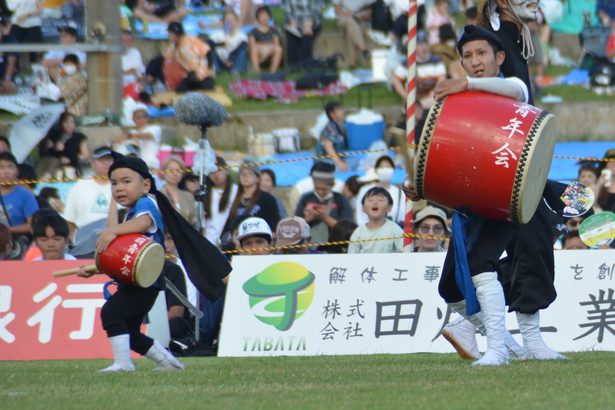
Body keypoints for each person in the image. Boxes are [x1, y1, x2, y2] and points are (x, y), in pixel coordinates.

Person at [407, 25, 532, 366]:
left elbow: (516, 88)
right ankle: (508, 345)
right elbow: (446, 157)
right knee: (449, 287)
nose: (475, 62)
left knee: (481, 264)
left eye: (482, 54)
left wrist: (467, 84)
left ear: (499, 57)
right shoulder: (458, 102)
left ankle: (497, 350)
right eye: (468, 56)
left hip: (507, 198)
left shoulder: (512, 89)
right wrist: (420, 183)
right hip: (470, 204)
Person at [478, 0, 570, 360]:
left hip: (519, 154)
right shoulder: (496, 34)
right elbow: (513, 93)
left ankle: (524, 339)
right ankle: (488, 334)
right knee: (483, 253)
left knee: (529, 243)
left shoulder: (512, 32)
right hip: (501, 158)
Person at [76, 153, 186, 372]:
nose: (118, 188)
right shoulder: (129, 215)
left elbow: (144, 223)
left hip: (145, 281)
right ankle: (169, 363)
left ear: (146, 185)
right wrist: (96, 267)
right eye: (114, 183)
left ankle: (124, 364)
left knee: (111, 313)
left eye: (126, 182)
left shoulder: (146, 205)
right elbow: (116, 245)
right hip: (137, 280)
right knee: (131, 333)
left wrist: (112, 231)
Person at [295, 161, 353, 244]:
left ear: (332, 185)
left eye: (324, 189)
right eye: (317, 188)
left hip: (334, 246)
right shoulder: (306, 198)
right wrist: (307, 218)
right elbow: (295, 228)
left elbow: (348, 230)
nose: (320, 192)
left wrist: (324, 217)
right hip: (310, 246)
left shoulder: (340, 200)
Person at [62, 146, 113, 240]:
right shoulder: (80, 186)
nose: (106, 163)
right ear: (93, 163)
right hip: (84, 240)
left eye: (109, 159)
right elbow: (69, 220)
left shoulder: (121, 186)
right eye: (101, 160)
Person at [223, 159, 280, 240]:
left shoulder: (268, 199)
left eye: (250, 173)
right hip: (238, 242)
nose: (245, 176)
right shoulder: (234, 198)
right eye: (243, 174)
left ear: (257, 178)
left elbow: (274, 226)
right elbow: (229, 225)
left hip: (260, 241)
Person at [348, 186, 404, 253]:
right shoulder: (358, 233)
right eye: (370, 200)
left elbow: (403, 253)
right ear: (363, 208)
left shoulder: (395, 230)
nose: (375, 203)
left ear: (389, 207)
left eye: (380, 200)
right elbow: (352, 257)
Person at [0, 152, 39, 246]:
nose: (6, 172)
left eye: (10, 167)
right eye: (1, 167)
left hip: (15, 246)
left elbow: (34, 225)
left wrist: (7, 231)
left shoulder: (26, 196)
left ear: (17, 171)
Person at [163, 22, 214, 92]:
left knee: (206, 87)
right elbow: (166, 58)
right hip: (190, 73)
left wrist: (209, 68)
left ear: (176, 34)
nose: (168, 35)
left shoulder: (191, 40)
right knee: (180, 90)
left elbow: (207, 51)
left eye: (170, 33)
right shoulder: (173, 47)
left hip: (201, 71)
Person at [38, 111, 89, 179]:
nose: (69, 125)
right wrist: (55, 147)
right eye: (66, 122)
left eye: (71, 122)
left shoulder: (79, 137)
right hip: (55, 165)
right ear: (61, 123)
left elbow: (85, 155)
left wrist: (71, 159)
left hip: (72, 166)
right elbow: (47, 149)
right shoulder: (55, 134)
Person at [356, 154, 404, 225]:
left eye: (388, 167)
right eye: (381, 167)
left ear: (394, 170)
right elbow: (359, 216)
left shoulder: (400, 193)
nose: (385, 169)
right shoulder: (365, 190)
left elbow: (402, 217)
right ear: (375, 170)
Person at [203, 156, 238, 246]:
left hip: (228, 240)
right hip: (209, 240)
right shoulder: (205, 193)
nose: (215, 175)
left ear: (227, 170)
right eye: (211, 172)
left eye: (218, 170)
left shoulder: (236, 191)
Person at [115, 106, 161, 171]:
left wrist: (128, 136)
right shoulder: (131, 132)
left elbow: (148, 135)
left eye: (144, 117)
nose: (141, 119)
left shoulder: (155, 128)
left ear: (148, 119)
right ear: (133, 119)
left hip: (151, 165)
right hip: (136, 166)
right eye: (138, 117)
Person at [333, 0, 373, 67]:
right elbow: (337, 11)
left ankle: (352, 62)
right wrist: (351, 15)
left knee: (350, 30)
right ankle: (363, 49)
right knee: (350, 21)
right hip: (343, 18)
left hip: (359, 20)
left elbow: (369, 12)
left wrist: (363, 16)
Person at [284, 0, 323, 67]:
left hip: (310, 23)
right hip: (294, 24)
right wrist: (291, 21)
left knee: (306, 38)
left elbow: (316, 11)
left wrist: (309, 24)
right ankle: (293, 66)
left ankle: (306, 65)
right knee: (291, 41)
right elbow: (288, 11)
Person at [159, 156, 196, 226]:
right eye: (171, 171)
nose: (175, 173)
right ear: (164, 172)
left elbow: (192, 221)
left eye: (178, 171)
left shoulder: (188, 196)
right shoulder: (157, 195)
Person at [210, 11, 249, 75]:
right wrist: (221, 44)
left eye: (233, 20)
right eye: (228, 20)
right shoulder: (216, 35)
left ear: (237, 22)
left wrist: (231, 58)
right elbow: (209, 44)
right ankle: (217, 70)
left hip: (234, 61)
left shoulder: (242, 36)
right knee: (211, 51)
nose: (231, 22)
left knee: (243, 53)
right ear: (223, 22)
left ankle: (237, 70)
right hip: (220, 61)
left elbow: (243, 47)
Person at [248, 6, 283, 74]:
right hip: (258, 50)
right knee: (254, 49)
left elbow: (276, 44)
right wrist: (263, 47)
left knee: (278, 49)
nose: (264, 18)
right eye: (262, 15)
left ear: (269, 16)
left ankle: (272, 73)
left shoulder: (274, 31)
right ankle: (257, 73)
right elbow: (252, 45)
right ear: (258, 17)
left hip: (270, 50)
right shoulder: (253, 31)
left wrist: (267, 48)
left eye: (266, 15)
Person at [315, 101, 348, 172]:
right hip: (324, 161)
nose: (343, 112)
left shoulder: (340, 125)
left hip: (334, 157)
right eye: (339, 110)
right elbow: (328, 146)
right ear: (332, 114)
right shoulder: (331, 128)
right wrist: (339, 163)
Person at [0, 16, 17, 95]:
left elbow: (11, 62)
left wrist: (7, 79)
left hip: (4, 77)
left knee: (11, 88)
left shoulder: (10, 40)